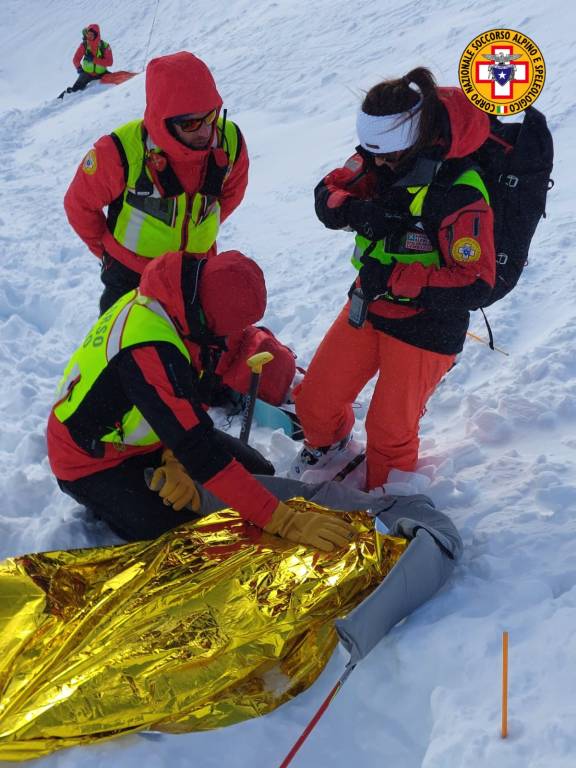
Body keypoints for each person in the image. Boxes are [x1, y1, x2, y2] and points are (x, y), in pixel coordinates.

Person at [47, 249, 354, 551]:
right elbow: (199, 450)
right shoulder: (149, 349)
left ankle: (160, 468)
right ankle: (110, 501)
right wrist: (286, 522)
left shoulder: (179, 303)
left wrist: (173, 457)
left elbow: (194, 396)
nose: (230, 339)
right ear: (210, 316)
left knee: (259, 469)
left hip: (150, 435)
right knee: (183, 532)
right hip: (92, 461)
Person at [290, 67, 496, 490]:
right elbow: (328, 190)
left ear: (414, 143)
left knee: (388, 429)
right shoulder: (380, 154)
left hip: (427, 325)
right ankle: (327, 447)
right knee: (315, 401)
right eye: (371, 152)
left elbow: (476, 281)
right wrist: (351, 209)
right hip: (370, 303)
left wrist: (397, 277)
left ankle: (387, 496)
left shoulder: (460, 192)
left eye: (385, 155)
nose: (375, 163)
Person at [64, 51, 249, 314]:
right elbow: (79, 205)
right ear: (164, 121)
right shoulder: (119, 151)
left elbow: (231, 195)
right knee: (124, 351)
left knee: (201, 351)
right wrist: (108, 252)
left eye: (210, 116)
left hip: (195, 271)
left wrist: (200, 230)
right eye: (191, 123)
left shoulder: (230, 141)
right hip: (131, 277)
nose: (206, 131)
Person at [62, 24, 113, 96]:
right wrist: (79, 68)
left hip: (102, 73)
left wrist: (94, 59)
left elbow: (110, 62)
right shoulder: (84, 45)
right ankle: (60, 99)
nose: (89, 37)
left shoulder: (105, 46)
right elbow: (76, 59)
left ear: (97, 35)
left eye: (91, 35)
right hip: (87, 73)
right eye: (88, 35)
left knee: (115, 80)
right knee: (74, 91)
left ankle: (131, 83)